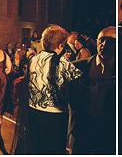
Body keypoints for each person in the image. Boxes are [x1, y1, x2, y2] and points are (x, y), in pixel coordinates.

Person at [23, 25, 81, 154]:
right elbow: (81, 82)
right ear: (60, 45)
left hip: (34, 112)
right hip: (54, 116)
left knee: (36, 149)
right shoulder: (61, 62)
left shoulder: (33, 59)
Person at [70, 26, 116, 155]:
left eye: (111, 41)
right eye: (102, 40)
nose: (105, 44)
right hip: (82, 129)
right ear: (96, 42)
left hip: (108, 131)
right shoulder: (78, 67)